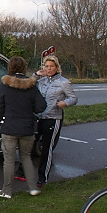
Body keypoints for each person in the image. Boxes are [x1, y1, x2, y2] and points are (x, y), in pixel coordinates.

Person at [0, 56, 47, 199]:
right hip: (27, 127)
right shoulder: (31, 86)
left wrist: (1, 118)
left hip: (10, 126)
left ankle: (6, 190)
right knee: (26, 157)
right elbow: (42, 106)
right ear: (24, 68)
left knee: (9, 160)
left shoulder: (5, 85)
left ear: (10, 67)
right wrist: (31, 111)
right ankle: (33, 188)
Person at [32, 55, 77, 186]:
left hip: (53, 118)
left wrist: (65, 102)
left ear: (57, 67)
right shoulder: (42, 81)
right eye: (46, 66)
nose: (49, 68)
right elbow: (28, 83)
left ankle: (42, 177)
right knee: (30, 144)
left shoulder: (64, 82)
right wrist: (36, 74)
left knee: (47, 148)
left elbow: (73, 98)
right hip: (39, 117)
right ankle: (23, 172)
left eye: (51, 66)